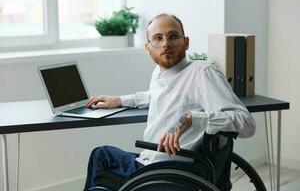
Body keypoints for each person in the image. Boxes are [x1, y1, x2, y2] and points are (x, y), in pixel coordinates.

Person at [83, 13, 256, 191]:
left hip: (172, 171)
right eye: (158, 38)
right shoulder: (159, 73)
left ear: (186, 42)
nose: (166, 43)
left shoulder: (202, 72)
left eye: (173, 36)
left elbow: (246, 123)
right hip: (149, 162)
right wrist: (119, 100)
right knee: (101, 154)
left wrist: (191, 118)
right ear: (148, 48)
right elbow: (157, 96)